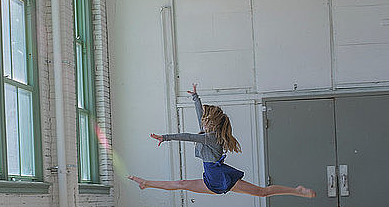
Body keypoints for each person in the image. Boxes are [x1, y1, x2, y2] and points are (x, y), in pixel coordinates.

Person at [128, 84, 316, 198]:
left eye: (205, 119)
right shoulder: (207, 131)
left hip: (221, 178)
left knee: (262, 192)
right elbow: (200, 115)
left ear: (211, 123)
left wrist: (165, 137)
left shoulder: (210, 139)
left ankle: (297, 190)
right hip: (211, 179)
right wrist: (195, 97)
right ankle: (146, 183)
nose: (202, 120)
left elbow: (187, 136)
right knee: (180, 184)